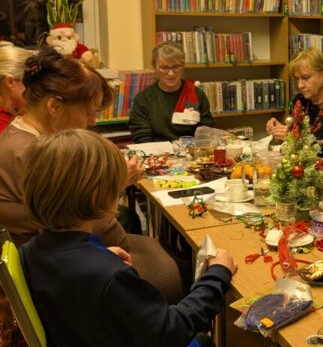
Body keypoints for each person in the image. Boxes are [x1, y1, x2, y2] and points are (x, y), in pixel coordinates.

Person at [19, 129, 237, 347]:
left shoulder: (31, 252)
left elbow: (72, 280)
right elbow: (172, 332)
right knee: (203, 343)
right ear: (100, 195)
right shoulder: (109, 275)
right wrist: (218, 274)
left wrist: (99, 255)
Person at [0, 48, 186, 302]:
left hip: (67, 260)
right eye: (89, 112)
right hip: (65, 278)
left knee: (175, 256)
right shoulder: (37, 152)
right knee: (188, 270)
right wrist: (115, 183)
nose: (92, 122)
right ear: (54, 106)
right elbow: (82, 219)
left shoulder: (28, 139)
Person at [267, 48, 323, 184]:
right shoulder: (300, 100)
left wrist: (293, 136)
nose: (300, 85)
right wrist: (278, 134)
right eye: (296, 79)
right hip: (302, 173)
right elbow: (293, 144)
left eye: (305, 78)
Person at [129, 41, 215, 142]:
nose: (171, 73)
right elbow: (142, 138)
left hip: (191, 152)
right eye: (164, 67)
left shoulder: (197, 94)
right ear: (154, 67)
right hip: (157, 153)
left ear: (183, 66)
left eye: (176, 67)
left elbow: (206, 132)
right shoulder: (143, 99)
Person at [0, 43, 32, 133]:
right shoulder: (4, 129)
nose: (37, 90)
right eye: (30, 82)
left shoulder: (11, 112)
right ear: (10, 82)